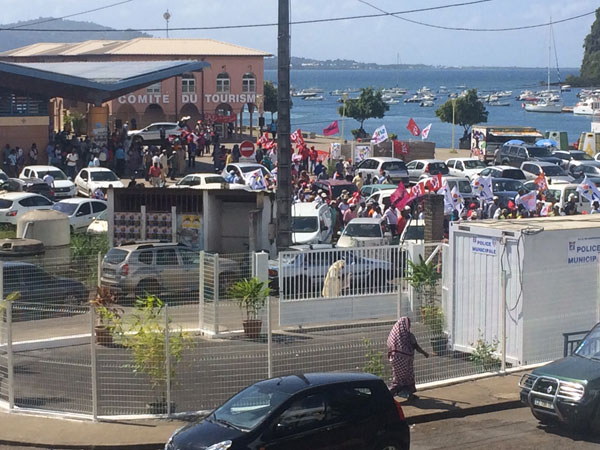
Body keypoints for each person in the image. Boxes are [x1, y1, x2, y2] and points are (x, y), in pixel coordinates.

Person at [387, 316, 429, 400]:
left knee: (399, 378)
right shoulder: (409, 336)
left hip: (396, 360)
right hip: (406, 362)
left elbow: (389, 346)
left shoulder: (394, 336)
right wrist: (425, 353)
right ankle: (389, 396)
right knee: (406, 378)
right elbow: (416, 346)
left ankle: (406, 395)